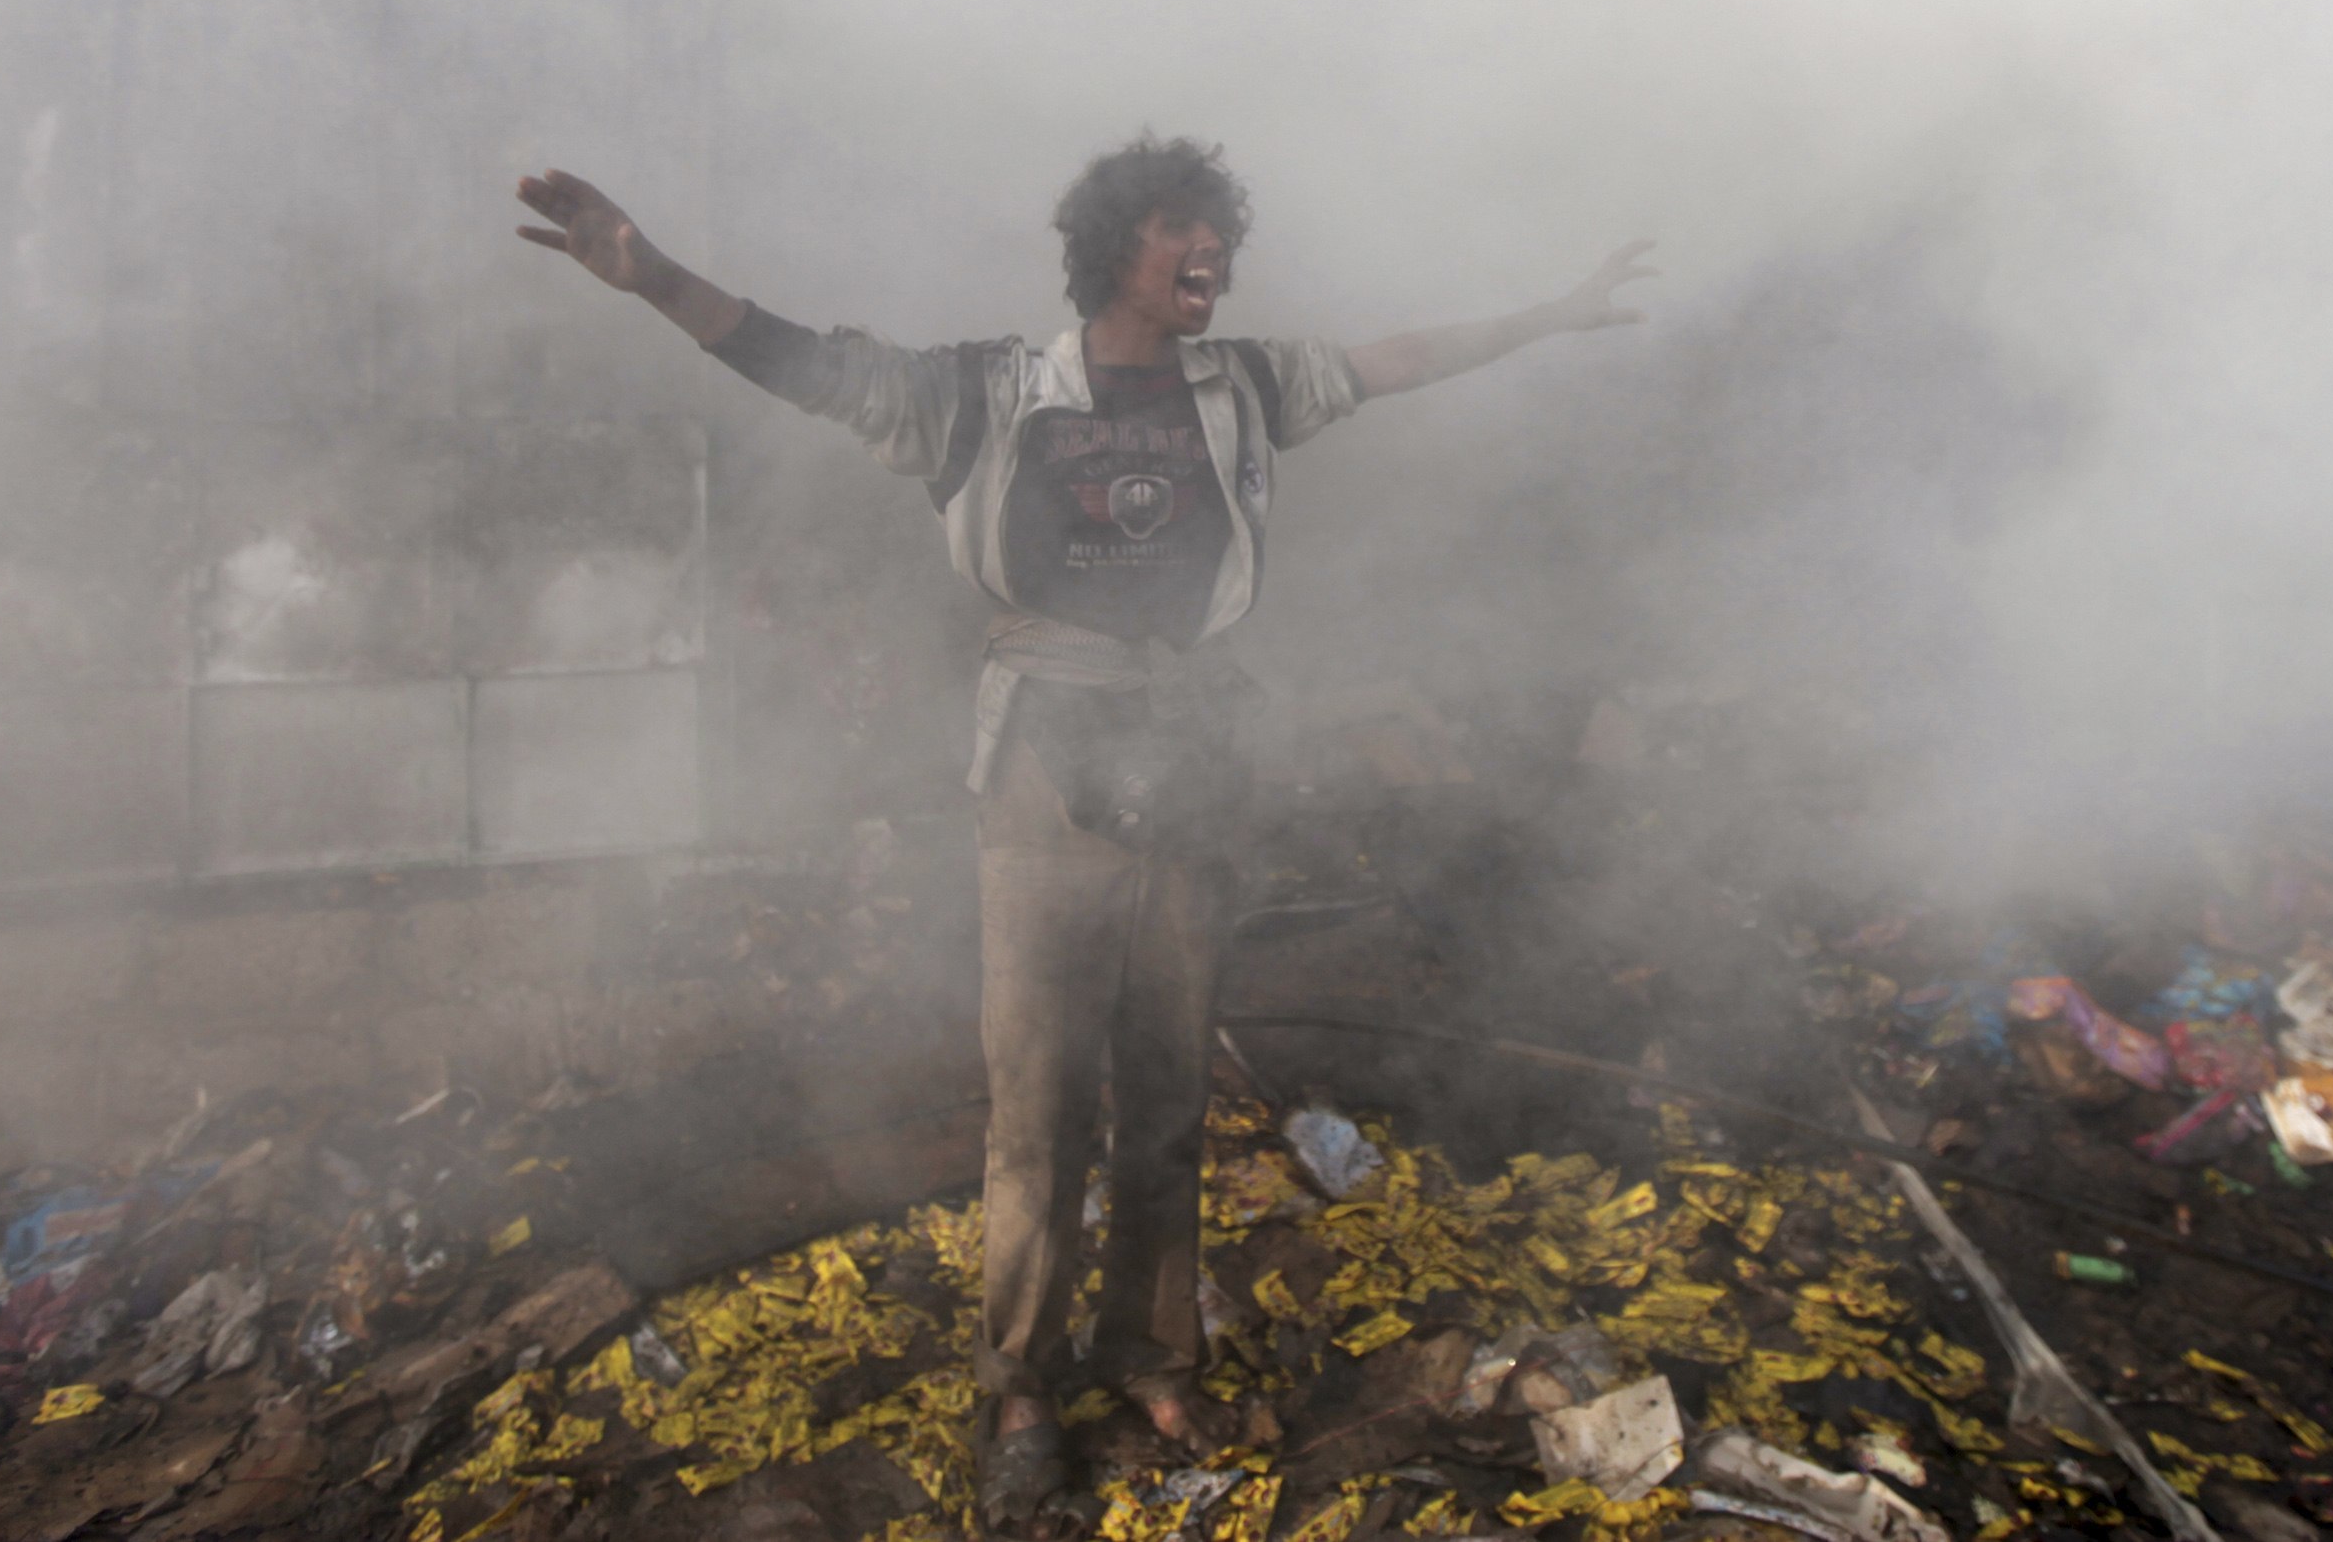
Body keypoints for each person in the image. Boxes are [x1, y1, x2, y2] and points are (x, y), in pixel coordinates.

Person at [513, 135, 1652, 1535]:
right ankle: (1018, 1390)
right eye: (1185, 226)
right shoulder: (993, 391)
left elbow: (1394, 355)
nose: (1214, 251)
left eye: (1221, 230)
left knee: (1167, 1099)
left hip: (1194, 759)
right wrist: (648, 277)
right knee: (1039, 1109)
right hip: (1048, 770)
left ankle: (1154, 1360)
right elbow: (809, 363)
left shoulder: (1244, 383)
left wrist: (1544, 315)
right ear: (1121, 244)